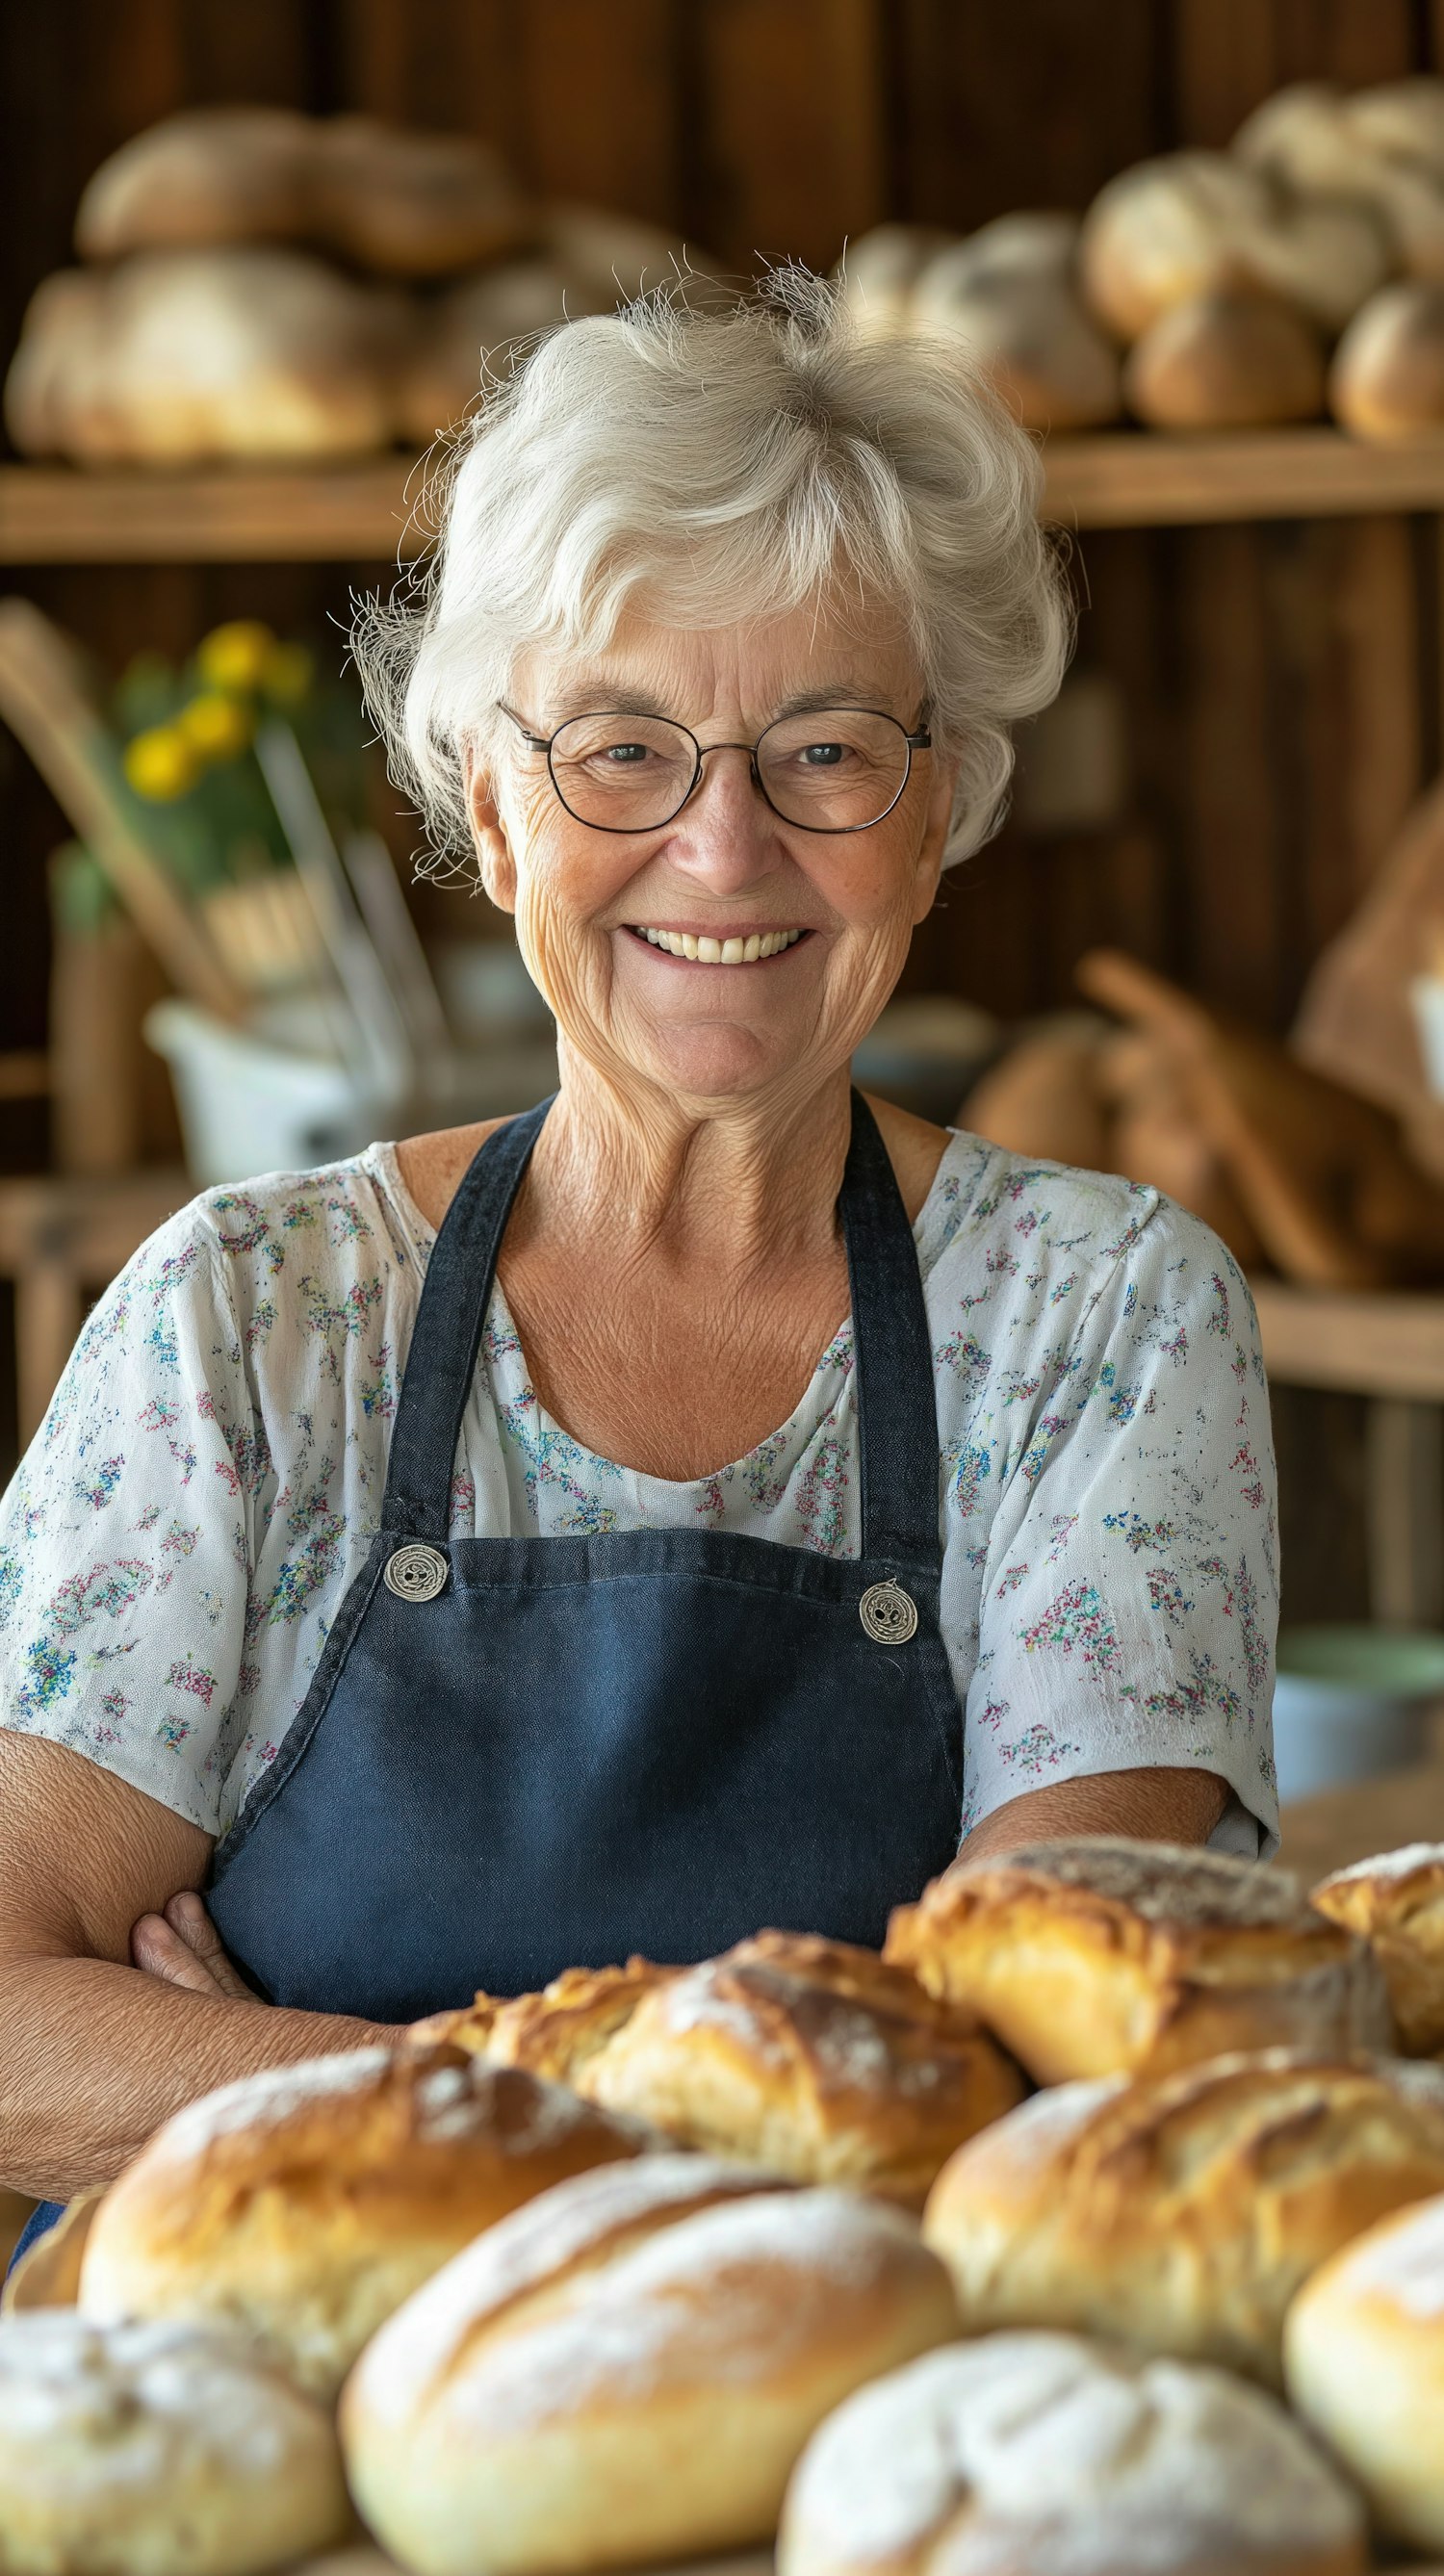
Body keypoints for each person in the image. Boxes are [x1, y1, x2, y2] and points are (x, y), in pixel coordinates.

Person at [0, 273, 1277, 2244]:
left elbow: (1060, 2059)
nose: (724, 845)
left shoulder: (1099, 1325)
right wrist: (705, 2105)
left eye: (829, 752)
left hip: (839, 2459)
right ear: (493, 816)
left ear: (937, 815)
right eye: (621, 749)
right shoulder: (244, 1323)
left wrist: (341, 2092)